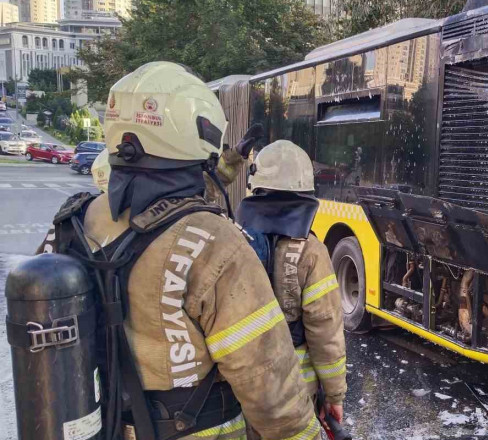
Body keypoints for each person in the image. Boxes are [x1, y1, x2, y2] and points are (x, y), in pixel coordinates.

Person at [37, 62, 321, 439]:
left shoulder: (73, 223)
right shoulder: (215, 244)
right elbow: (266, 382)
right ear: (197, 130)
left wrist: (231, 162)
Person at [235, 140, 347, 430]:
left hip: (240, 390)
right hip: (293, 394)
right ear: (306, 193)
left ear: (256, 188)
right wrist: (334, 395)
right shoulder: (311, 252)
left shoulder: (232, 243)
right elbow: (325, 330)